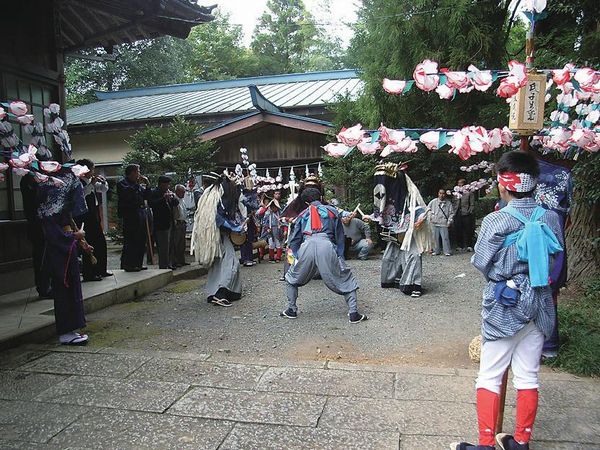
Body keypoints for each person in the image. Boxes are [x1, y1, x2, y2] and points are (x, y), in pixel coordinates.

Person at [452, 151, 563, 450]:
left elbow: (481, 262)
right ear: (534, 184)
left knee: (489, 375)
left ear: (503, 184)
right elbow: (557, 259)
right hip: (540, 303)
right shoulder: (551, 217)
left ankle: (487, 444)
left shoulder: (496, 220)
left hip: (506, 304)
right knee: (528, 375)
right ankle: (521, 441)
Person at [281, 187, 367, 323]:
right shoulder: (332, 211)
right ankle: (353, 313)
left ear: (306, 203)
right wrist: (339, 255)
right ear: (321, 198)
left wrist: (297, 256)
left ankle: (291, 310)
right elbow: (339, 235)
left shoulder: (302, 214)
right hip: (326, 244)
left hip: (307, 244)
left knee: (292, 277)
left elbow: (295, 239)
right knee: (344, 277)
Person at [37, 168, 90, 345]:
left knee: (72, 290)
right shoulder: (48, 212)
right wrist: (75, 236)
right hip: (59, 258)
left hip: (67, 253)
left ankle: (72, 329)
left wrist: (80, 240)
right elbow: (54, 237)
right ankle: (66, 332)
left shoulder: (59, 212)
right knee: (64, 292)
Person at [190, 172, 244, 307]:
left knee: (218, 264)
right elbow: (216, 217)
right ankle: (221, 293)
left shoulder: (211, 194)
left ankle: (213, 293)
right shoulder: (222, 196)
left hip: (213, 236)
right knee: (231, 263)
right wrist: (233, 227)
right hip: (217, 235)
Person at [377, 167, 433, 298]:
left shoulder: (409, 196)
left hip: (409, 235)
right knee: (389, 257)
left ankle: (414, 285)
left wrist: (420, 220)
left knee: (413, 256)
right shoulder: (386, 198)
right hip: (395, 234)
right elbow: (379, 213)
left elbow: (421, 210)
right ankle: (395, 279)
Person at [74, 159, 111, 281]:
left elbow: (103, 189)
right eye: (92, 169)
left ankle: (101, 269)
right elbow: (81, 196)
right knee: (89, 244)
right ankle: (89, 273)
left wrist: (103, 182)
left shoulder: (90, 181)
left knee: (100, 243)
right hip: (84, 216)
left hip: (94, 214)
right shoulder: (78, 182)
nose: (93, 172)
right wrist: (91, 184)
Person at [20, 172, 52, 298]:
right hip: (37, 226)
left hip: (42, 225)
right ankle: (44, 288)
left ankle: (47, 286)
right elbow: (35, 201)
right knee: (41, 259)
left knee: (45, 258)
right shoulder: (28, 182)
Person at [117, 164, 150, 272]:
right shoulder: (122, 183)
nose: (139, 174)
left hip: (140, 213)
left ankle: (138, 263)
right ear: (132, 172)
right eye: (137, 172)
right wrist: (137, 185)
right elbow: (127, 193)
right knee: (131, 240)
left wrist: (147, 185)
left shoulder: (137, 185)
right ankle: (128, 264)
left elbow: (145, 195)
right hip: (130, 215)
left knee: (141, 239)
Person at [149, 175, 179, 270]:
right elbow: (152, 204)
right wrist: (163, 198)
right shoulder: (155, 192)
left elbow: (176, 203)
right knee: (163, 246)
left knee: (170, 245)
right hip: (160, 224)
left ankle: (169, 263)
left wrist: (172, 197)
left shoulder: (168, 192)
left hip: (169, 222)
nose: (168, 186)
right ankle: (163, 266)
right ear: (161, 184)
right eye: (166, 184)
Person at [427, 189, 454, 256]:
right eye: (440, 193)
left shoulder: (448, 203)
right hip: (434, 222)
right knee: (435, 238)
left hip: (443, 222)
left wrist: (449, 221)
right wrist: (431, 217)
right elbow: (427, 209)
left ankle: (447, 251)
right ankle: (436, 250)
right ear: (438, 194)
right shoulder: (433, 202)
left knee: (445, 237)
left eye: (443, 193)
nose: (441, 195)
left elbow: (451, 213)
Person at [453, 178, 476, 252]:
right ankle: (460, 245)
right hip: (457, 213)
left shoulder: (469, 193)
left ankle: (469, 245)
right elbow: (454, 203)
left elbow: (472, 204)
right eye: (459, 183)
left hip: (466, 213)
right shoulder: (456, 193)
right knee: (458, 229)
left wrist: (469, 211)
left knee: (468, 230)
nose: (460, 185)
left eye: (461, 183)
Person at [170, 184, 189, 267]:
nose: (184, 194)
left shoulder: (182, 200)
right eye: (182, 192)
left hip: (183, 222)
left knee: (182, 244)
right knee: (176, 243)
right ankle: (175, 261)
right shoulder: (174, 199)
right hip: (177, 222)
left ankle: (181, 260)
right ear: (177, 191)